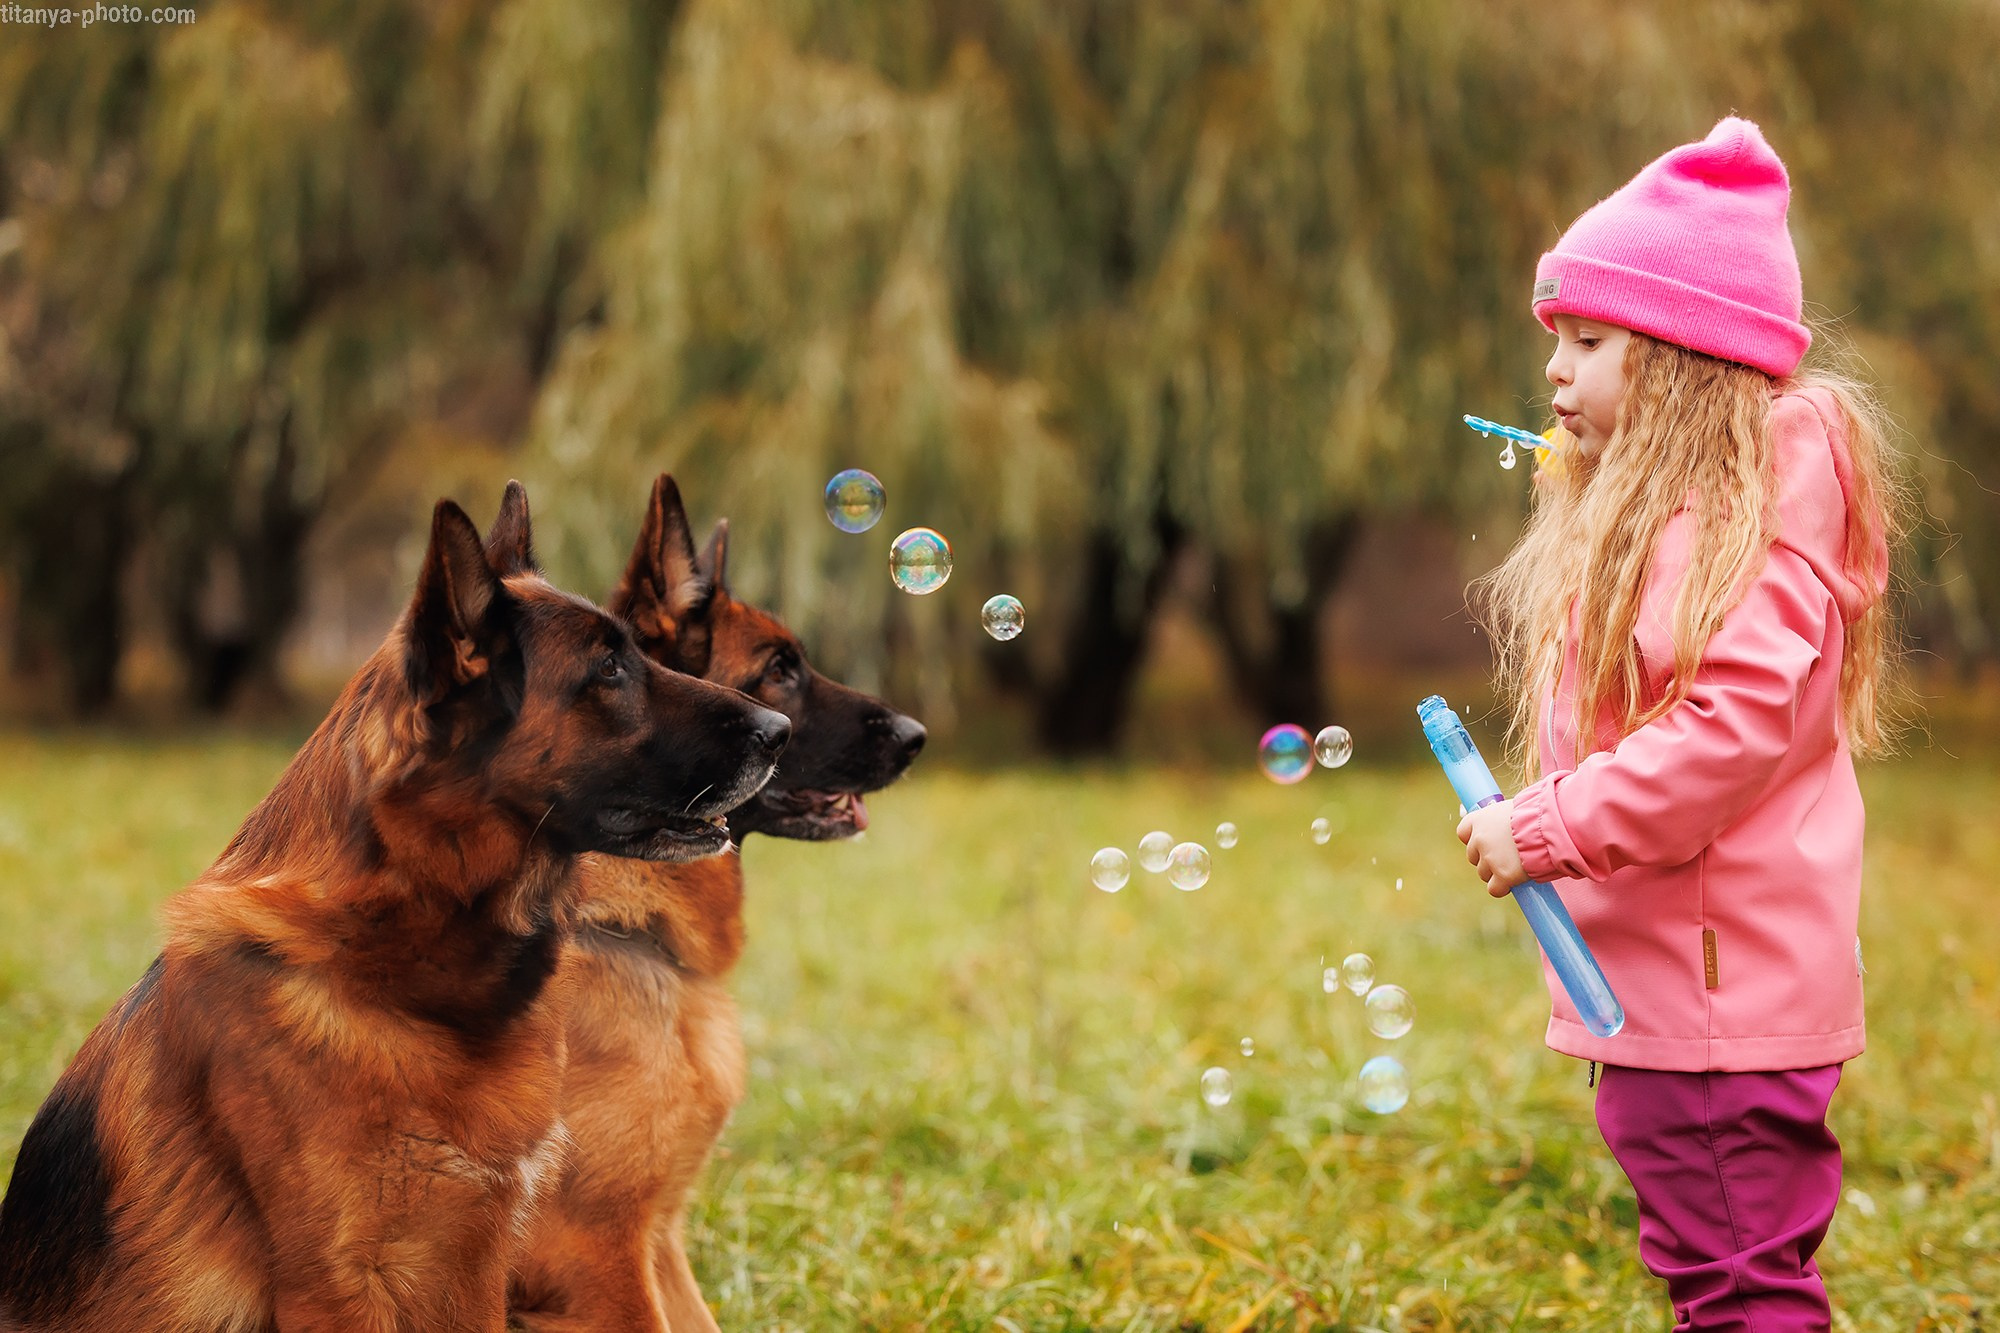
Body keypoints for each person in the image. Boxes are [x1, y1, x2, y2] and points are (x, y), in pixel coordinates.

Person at [1458, 117, 1902, 1332]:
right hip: (1691, 998)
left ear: (1679, 362)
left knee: (1739, 1286)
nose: (1553, 373)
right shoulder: (1691, 516)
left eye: (1587, 341)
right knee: (1718, 1268)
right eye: (1554, 341)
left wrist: (1542, 828)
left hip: (1718, 1010)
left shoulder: (1732, 527)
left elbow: (1719, 733)